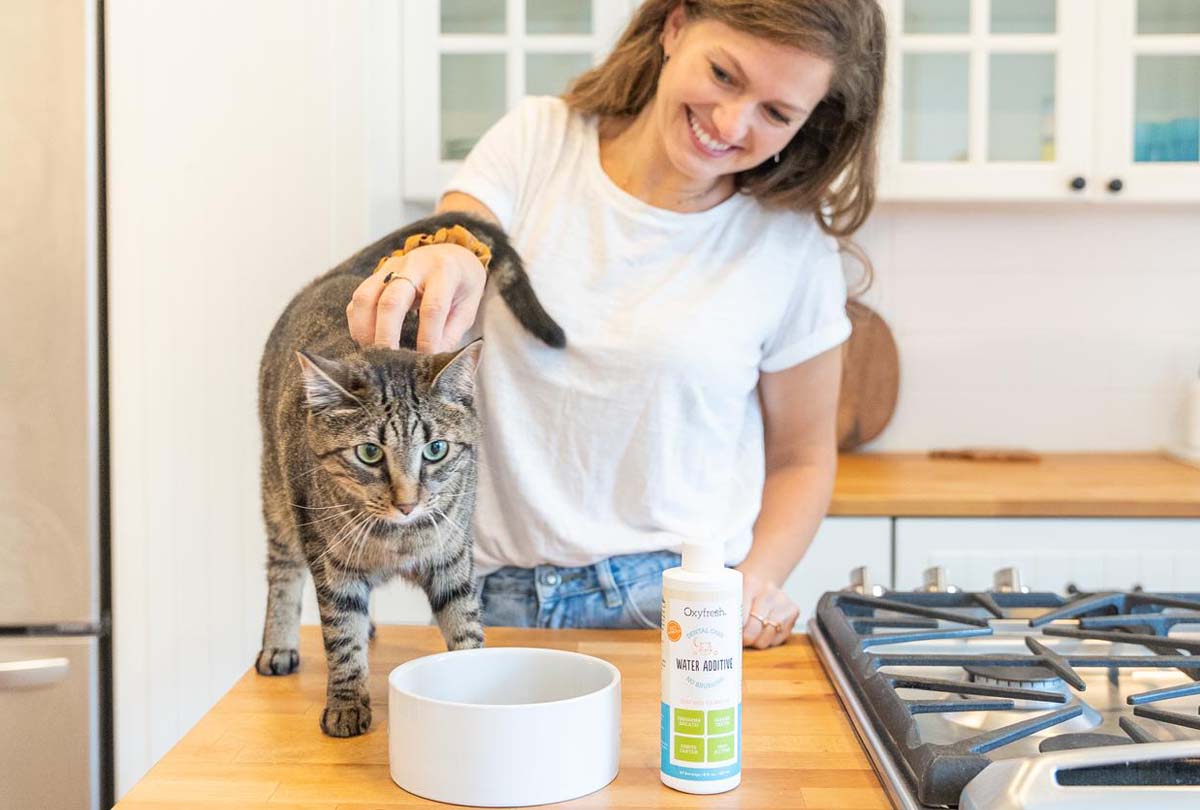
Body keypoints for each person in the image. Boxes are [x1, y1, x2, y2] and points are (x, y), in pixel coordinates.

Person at [345, 0, 885, 649]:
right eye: (723, 74)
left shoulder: (792, 247)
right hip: (491, 597)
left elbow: (802, 456)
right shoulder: (539, 141)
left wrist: (755, 582)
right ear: (676, 26)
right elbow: (464, 236)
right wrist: (440, 256)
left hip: (678, 600)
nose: (730, 122)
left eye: (776, 114)